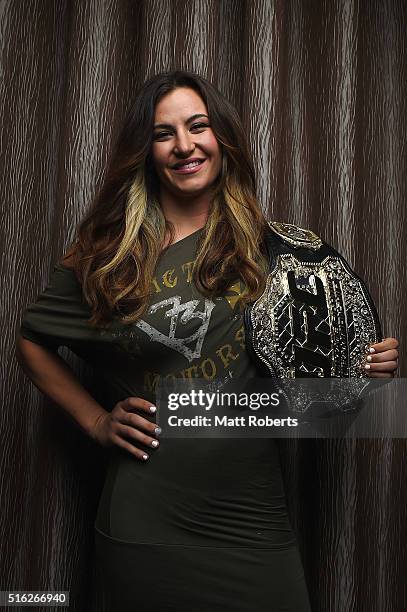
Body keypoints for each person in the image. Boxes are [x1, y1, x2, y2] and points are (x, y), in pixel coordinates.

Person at [16, 70, 399, 611]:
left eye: (198, 126)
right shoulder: (108, 257)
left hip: (254, 517)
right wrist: (96, 421)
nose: (184, 145)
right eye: (163, 133)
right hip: (145, 519)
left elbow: (326, 399)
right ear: (145, 152)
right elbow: (31, 340)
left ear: (223, 138)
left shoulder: (282, 249)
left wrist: (370, 370)